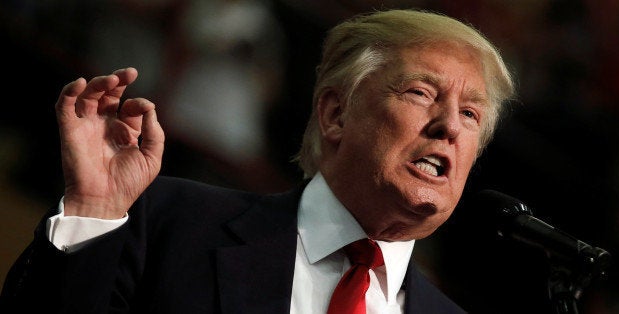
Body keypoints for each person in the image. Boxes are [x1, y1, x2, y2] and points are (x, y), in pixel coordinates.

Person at [0, 8, 514, 314]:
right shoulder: (169, 223)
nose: (450, 126)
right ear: (336, 113)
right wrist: (91, 211)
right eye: (422, 92)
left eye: (471, 114)